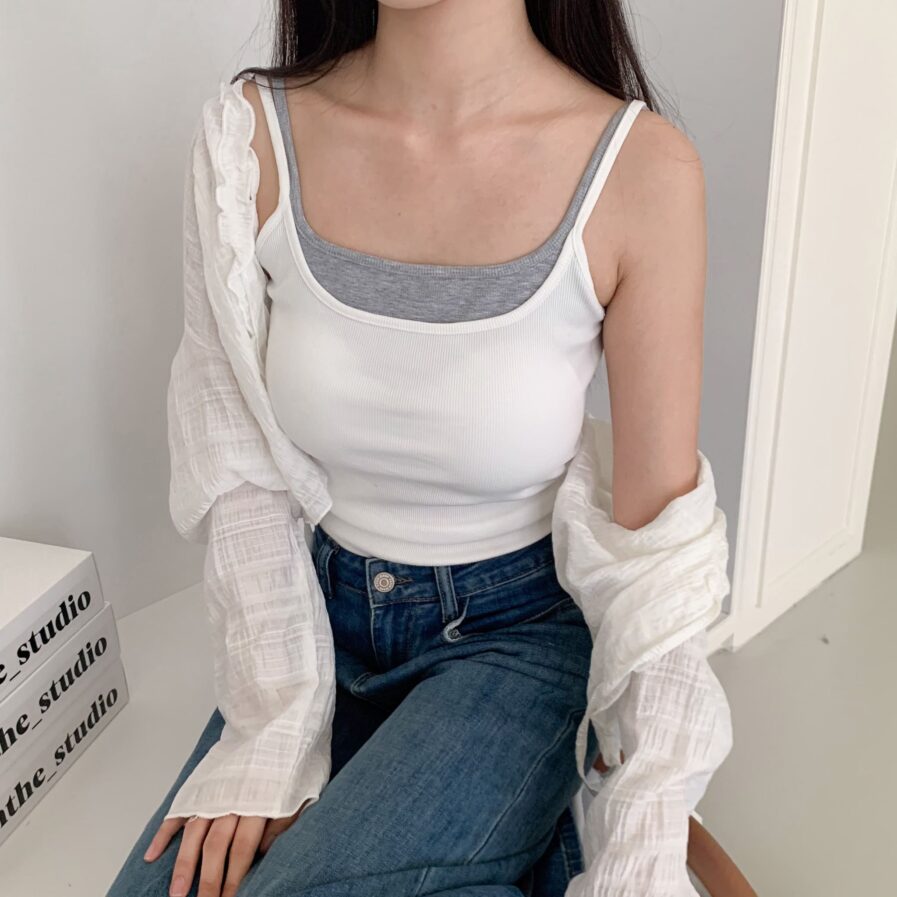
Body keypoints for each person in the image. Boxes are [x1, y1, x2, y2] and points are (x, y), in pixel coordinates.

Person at [107, 1, 717, 896]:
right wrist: (274, 718)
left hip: (518, 641)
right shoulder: (249, 138)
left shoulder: (641, 169)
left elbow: (657, 557)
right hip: (314, 627)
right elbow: (232, 447)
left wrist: (640, 845)